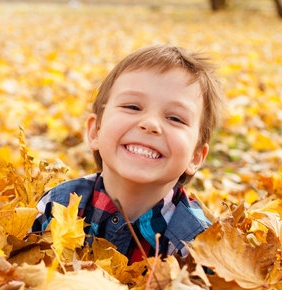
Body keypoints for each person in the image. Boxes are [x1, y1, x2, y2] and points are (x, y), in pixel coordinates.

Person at [32, 45, 225, 264]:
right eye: (132, 107)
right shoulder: (58, 206)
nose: (150, 124)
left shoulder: (198, 243)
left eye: (175, 118)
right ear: (96, 131)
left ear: (195, 156)